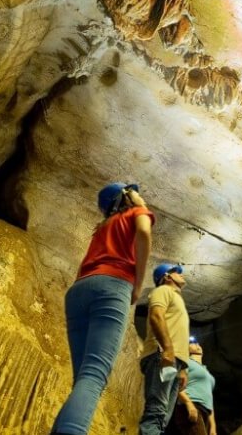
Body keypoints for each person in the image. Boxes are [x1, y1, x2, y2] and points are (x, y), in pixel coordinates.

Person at [51, 182, 154, 435]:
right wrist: (138, 285)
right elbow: (144, 233)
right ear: (125, 197)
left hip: (79, 290)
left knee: (84, 380)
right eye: (134, 192)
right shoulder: (136, 213)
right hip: (113, 286)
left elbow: (83, 267)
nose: (140, 195)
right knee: (94, 375)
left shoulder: (101, 229)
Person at [140, 263, 191, 434]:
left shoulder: (178, 299)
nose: (181, 274)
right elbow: (156, 315)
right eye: (177, 272)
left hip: (173, 361)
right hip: (162, 356)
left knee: (162, 419)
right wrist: (167, 350)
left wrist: (182, 369)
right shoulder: (162, 291)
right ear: (167, 276)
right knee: (156, 412)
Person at [173, 338, 217, 435]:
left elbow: (209, 398)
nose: (196, 344)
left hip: (205, 411)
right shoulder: (186, 362)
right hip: (191, 405)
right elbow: (175, 384)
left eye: (197, 343)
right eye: (192, 343)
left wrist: (213, 426)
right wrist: (189, 404)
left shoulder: (206, 371)